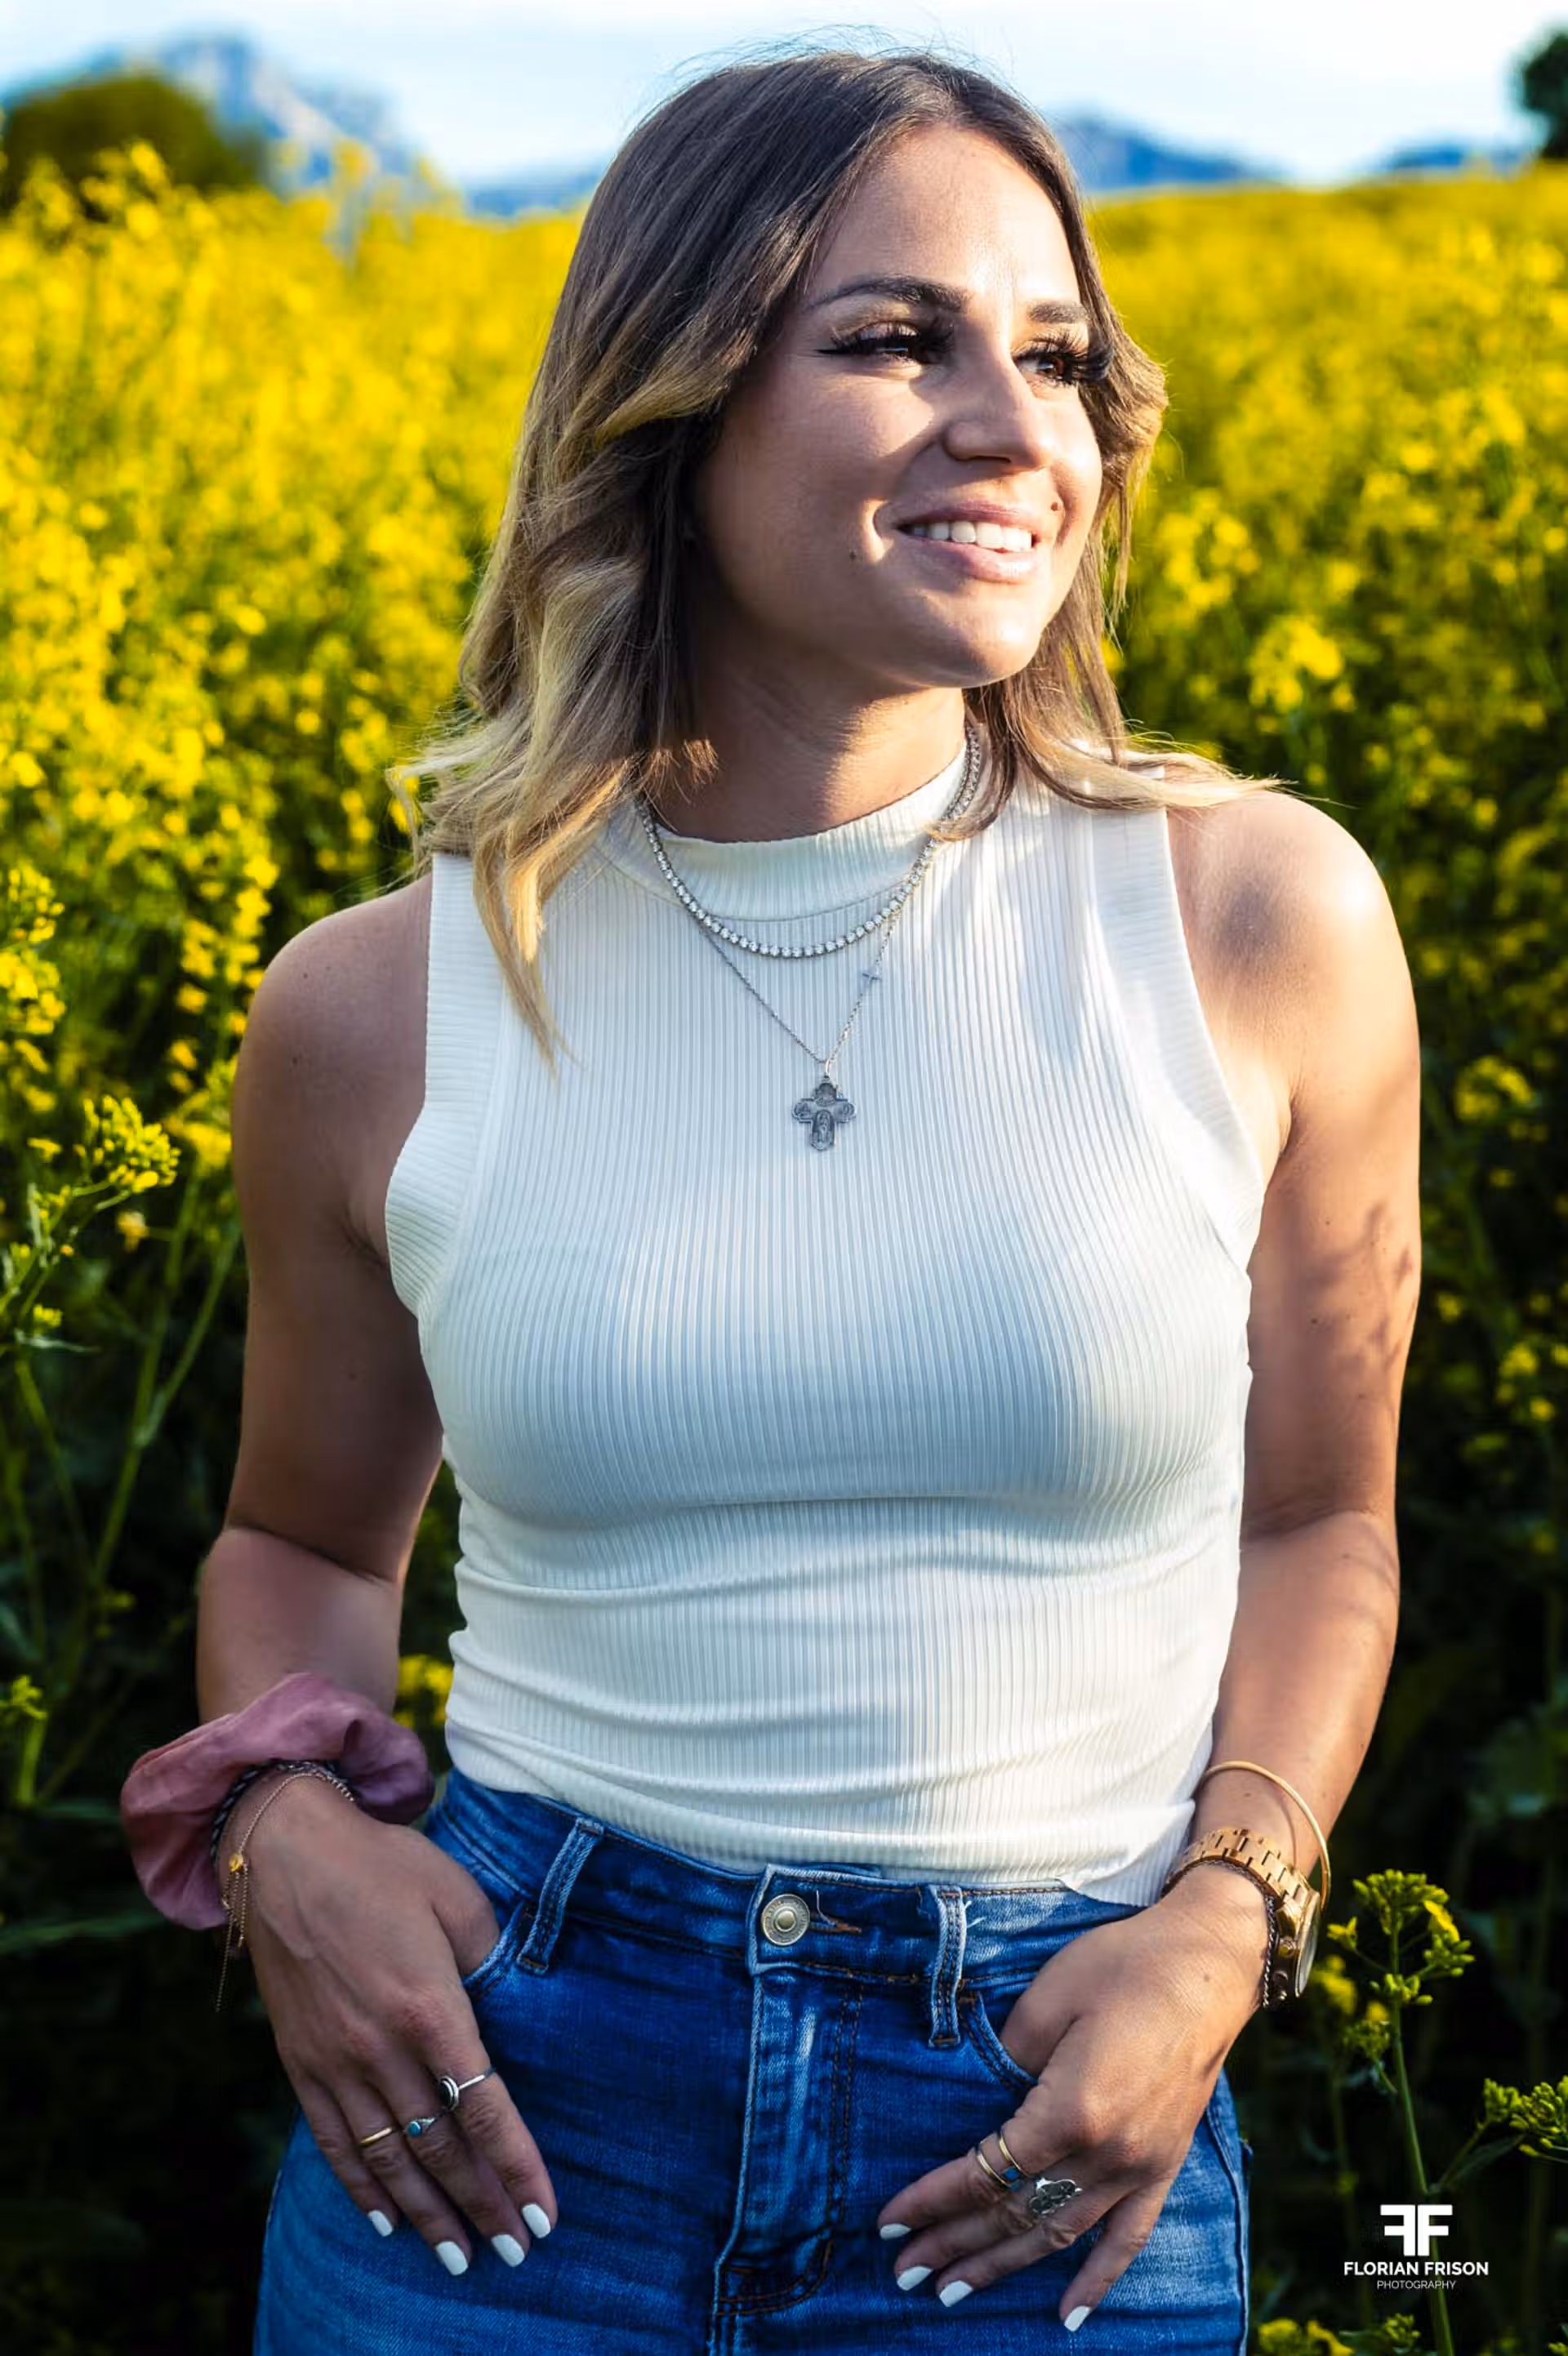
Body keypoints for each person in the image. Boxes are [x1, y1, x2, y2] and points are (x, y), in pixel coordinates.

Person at [141, 42, 1421, 2354]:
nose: (1014, 423)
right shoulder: (377, 1004)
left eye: (1051, 354)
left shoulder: (1260, 921)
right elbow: (303, 1551)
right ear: (675, 403)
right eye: (889, 338)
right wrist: (288, 1843)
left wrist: (1223, 1929)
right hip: (507, 2111)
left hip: (1047, 2118)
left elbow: (1322, 1521)